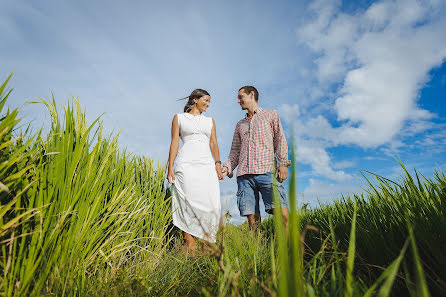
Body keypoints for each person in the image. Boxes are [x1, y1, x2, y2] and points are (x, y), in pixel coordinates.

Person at [222, 86, 290, 231]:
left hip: (266, 171)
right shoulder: (240, 125)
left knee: (282, 213)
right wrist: (227, 168)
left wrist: (283, 163)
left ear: (251, 94)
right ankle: (258, 250)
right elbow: (235, 151)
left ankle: (289, 249)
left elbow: (280, 139)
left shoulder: (271, 115)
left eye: (241, 97)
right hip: (244, 176)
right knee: (253, 221)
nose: (238, 100)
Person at [167, 89, 223, 252]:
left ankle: (206, 242)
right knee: (186, 201)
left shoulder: (210, 121)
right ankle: (190, 245)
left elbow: (213, 143)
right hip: (186, 164)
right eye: (206, 100)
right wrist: (170, 166)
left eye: (209, 101)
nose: (208, 104)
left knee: (210, 202)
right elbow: (175, 142)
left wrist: (217, 163)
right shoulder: (179, 118)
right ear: (195, 100)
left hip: (206, 164)